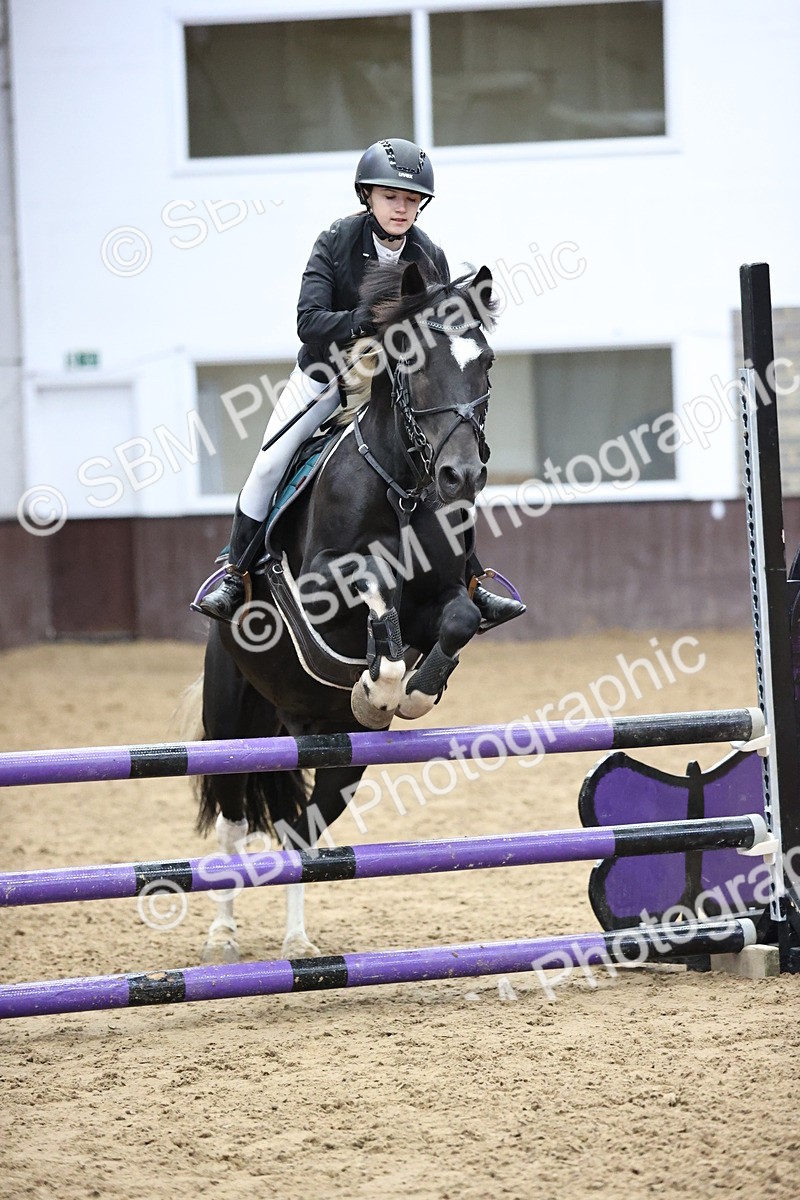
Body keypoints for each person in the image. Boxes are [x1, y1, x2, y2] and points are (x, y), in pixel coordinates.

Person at [198, 137, 525, 632]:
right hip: (328, 372)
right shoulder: (336, 241)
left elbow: (437, 331)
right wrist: (366, 322)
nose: (402, 207)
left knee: (446, 463)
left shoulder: (427, 252)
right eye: (391, 196)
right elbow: (309, 322)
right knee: (269, 461)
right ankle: (235, 573)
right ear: (367, 196)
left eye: (412, 199)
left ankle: (473, 581)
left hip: (389, 379)